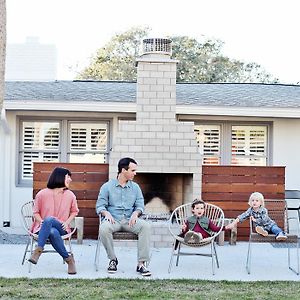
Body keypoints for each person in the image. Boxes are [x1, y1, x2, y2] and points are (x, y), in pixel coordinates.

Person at [96, 157, 151, 276]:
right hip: (113, 220)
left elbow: (140, 205)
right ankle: (113, 260)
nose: (135, 173)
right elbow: (100, 206)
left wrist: (136, 213)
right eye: (132, 170)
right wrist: (106, 213)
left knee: (146, 226)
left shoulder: (135, 187)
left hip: (129, 221)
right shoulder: (107, 186)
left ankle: (141, 264)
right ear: (123, 170)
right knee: (104, 229)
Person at [29, 167, 79, 274]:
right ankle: (69, 260)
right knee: (51, 230)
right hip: (42, 228)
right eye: (68, 177)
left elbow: (74, 211)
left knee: (50, 220)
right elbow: (36, 212)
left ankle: (38, 250)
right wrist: (42, 221)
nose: (70, 179)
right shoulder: (42, 194)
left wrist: (66, 222)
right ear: (60, 177)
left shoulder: (70, 195)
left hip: (62, 227)